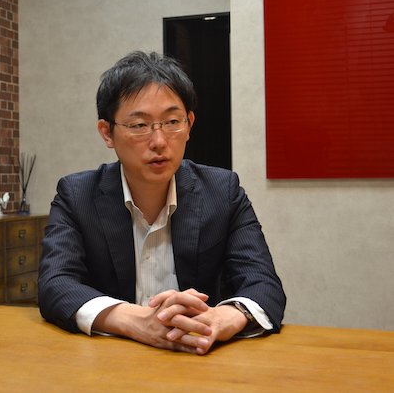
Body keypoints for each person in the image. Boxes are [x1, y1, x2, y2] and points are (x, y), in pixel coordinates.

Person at [38, 51, 286, 355]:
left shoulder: (223, 191)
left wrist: (219, 320)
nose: (159, 141)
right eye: (139, 125)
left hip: (201, 358)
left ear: (189, 124)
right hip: (110, 361)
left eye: (172, 122)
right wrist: (137, 321)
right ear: (107, 132)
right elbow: (55, 284)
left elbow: (264, 284)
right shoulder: (77, 195)